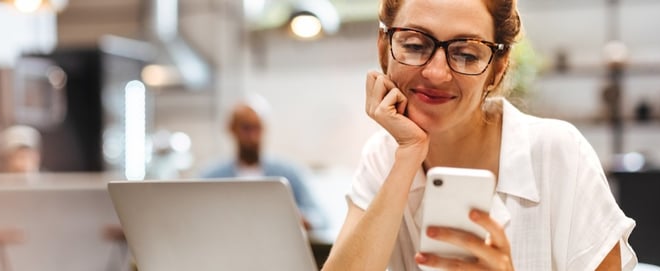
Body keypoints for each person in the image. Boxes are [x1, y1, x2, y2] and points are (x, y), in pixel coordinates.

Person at [323, 0, 636, 270]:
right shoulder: (383, 156)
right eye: (415, 46)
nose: (436, 73)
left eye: (466, 55)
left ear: (497, 68)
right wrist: (408, 155)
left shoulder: (558, 153)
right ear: (384, 47)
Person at [200, 98, 325, 230]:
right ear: (232, 129)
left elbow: (320, 217)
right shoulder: (211, 176)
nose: (252, 137)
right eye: (246, 128)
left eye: (257, 128)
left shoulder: (288, 173)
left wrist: (303, 219)